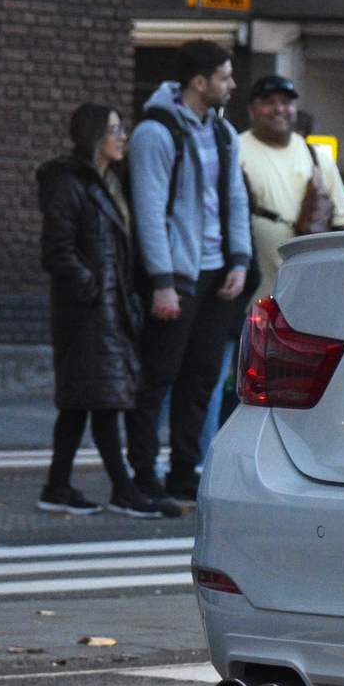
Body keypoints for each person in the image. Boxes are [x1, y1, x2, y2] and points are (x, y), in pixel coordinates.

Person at [128, 39, 249, 512]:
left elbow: (235, 199)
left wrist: (238, 260)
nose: (231, 84)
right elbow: (149, 212)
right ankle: (142, 474)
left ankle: (183, 472)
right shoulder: (155, 134)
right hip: (176, 277)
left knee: (201, 377)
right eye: (224, 76)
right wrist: (162, 282)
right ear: (199, 82)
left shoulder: (223, 133)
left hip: (219, 275)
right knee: (157, 376)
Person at [35, 105, 147, 516]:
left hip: (105, 308)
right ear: (94, 134)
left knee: (84, 401)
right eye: (115, 129)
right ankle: (122, 488)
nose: (122, 137)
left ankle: (57, 486)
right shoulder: (68, 182)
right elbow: (57, 250)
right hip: (87, 311)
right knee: (101, 401)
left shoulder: (105, 182)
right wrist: (92, 287)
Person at [238, 75, 344, 303]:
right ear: (252, 111)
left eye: (286, 102)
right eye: (269, 101)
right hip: (245, 297)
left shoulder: (318, 157)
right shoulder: (233, 151)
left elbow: (341, 226)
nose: (279, 108)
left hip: (307, 296)